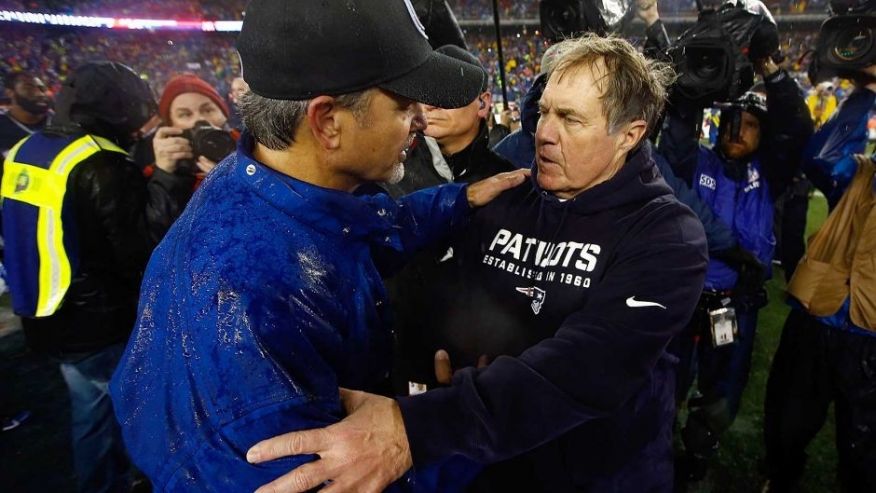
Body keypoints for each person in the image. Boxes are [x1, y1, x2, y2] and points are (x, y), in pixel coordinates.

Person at [245, 33, 709, 493]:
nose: (544, 133)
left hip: (598, 475)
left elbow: (586, 368)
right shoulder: (511, 196)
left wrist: (415, 427)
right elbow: (458, 300)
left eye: (571, 119)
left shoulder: (667, 235)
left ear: (629, 134)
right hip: (485, 465)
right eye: (545, 111)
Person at [108, 1, 526, 492]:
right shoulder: (248, 302)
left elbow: (367, 233)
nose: (420, 118)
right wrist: (448, 425)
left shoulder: (270, 185)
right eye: (402, 104)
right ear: (327, 121)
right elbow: (345, 482)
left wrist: (460, 199)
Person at [0, 61, 191, 493]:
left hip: (45, 310)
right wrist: (164, 177)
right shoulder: (100, 162)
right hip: (98, 322)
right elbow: (145, 245)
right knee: (121, 411)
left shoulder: (28, 149)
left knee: (90, 411)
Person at [658, 54, 813, 483]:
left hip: (732, 306)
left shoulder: (771, 174)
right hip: (683, 300)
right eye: (730, 120)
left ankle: (697, 451)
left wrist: (774, 73)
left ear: (765, 134)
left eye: (749, 123)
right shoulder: (697, 162)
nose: (736, 130)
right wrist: (690, 86)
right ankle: (657, 448)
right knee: (665, 378)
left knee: (721, 387)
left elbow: (798, 130)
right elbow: (673, 137)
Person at [762, 67, 876, 493]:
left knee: (863, 451)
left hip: (871, 336)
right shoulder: (859, 174)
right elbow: (820, 156)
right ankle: (779, 476)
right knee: (787, 421)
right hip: (818, 318)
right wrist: (866, 91)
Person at [0, 71, 52, 158]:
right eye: (29, 88)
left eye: (42, 89)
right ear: (9, 93)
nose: (40, 94)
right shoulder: (3, 128)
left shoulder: (64, 122)